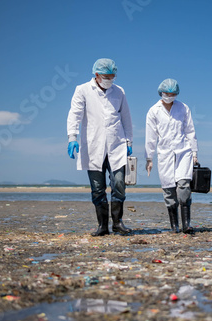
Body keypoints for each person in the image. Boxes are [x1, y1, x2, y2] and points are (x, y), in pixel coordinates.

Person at [67, 58, 133, 237]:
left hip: (116, 144)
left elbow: (126, 118)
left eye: (112, 76)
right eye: (106, 76)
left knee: (119, 183)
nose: (110, 79)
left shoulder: (119, 92)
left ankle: (118, 223)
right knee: (97, 188)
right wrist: (72, 137)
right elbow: (75, 114)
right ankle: (103, 225)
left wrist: (129, 141)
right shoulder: (83, 90)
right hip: (93, 146)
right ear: (96, 75)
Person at [145, 78, 198, 234]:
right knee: (169, 190)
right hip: (165, 153)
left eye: (173, 93)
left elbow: (190, 130)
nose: (170, 96)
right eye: (167, 93)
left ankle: (186, 224)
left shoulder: (183, 108)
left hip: (183, 150)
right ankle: (174, 226)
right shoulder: (153, 111)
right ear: (161, 92)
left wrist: (194, 152)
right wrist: (149, 158)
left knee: (184, 186)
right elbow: (150, 136)